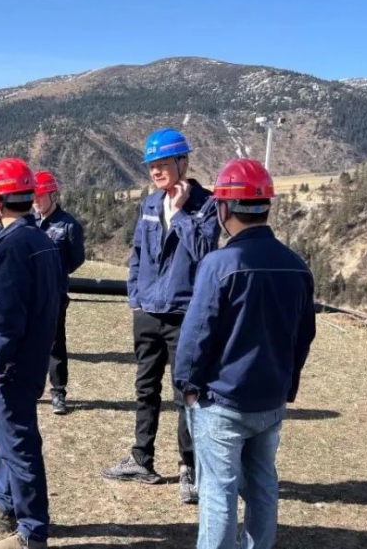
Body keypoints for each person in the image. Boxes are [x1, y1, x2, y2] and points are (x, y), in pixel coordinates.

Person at [174, 158, 316, 549]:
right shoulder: (297, 266)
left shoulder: (220, 264)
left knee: (218, 492)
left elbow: (196, 335)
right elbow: (304, 336)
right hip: (270, 400)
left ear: (224, 208)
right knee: (263, 485)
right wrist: (288, 386)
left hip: (222, 401)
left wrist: (186, 387)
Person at [102, 128, 219, 505]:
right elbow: (138, 253)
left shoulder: (207, 204)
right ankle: (142, 458)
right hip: (148, 312)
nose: (155, 171)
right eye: (151, 165)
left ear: (183, 162)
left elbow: (205, 251)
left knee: (187, 394)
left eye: (163, 163)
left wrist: (181, 213)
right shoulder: (151, 203)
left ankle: (190, 466)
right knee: (145, 388)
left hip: (185, 315)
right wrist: (135, 296)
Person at [0, 158, 64, 549]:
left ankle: (32, 533)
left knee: (19, 446)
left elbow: (7, 317)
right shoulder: (40, 241)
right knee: (4, 436)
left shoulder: (13, 247)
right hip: (31, 358)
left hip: (12, 366)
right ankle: (3, 503)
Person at [32, 170, 86, 415]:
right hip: (29, 293)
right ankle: (32, 387)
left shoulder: (68, 225)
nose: (36, 201)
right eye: (33, 196)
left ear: (53, 195)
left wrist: (54, 274)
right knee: (29, 342)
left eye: (40, 196)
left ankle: (58, 392)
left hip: (54, 294)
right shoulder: (30, 222)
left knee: (55, 343)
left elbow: (76, 259)